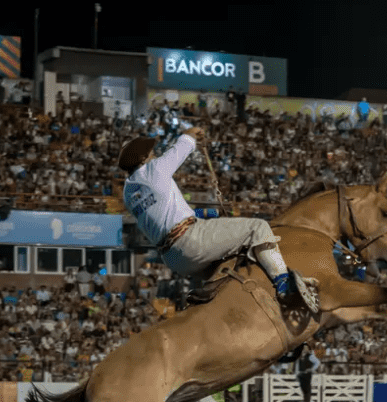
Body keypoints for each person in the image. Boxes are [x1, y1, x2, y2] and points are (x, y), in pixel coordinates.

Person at [119, 127, 318, 311]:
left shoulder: (128, 192)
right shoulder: (154, 170)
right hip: (190, 241)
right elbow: (185, 142)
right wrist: (193, 133)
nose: (155, 154)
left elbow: (165, 217)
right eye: (151, 152)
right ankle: (284, 286)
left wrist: (207, 214)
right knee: (258, 227)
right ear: (144, 158)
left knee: (230, 263)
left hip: (174, 259)